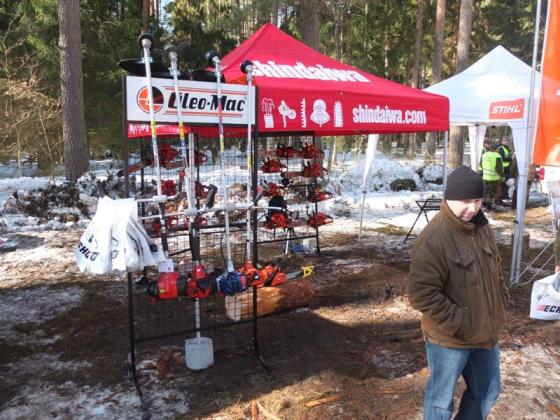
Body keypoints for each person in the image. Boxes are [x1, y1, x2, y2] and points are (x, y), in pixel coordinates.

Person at [408, 166, 509, 420]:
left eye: (477, 200)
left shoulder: (481, 226)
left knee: (487, 391)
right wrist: (460, 322)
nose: (473, 208)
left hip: (485, 334)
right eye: (465, 201)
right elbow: (421, 293)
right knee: (441, 403)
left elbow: (496, 269)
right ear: (449, 198)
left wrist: (501, 302)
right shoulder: (434, 238)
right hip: (451, 339)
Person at [481, 140, 504, 210]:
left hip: (485, 177)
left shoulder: (484, 155)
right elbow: (499, 168)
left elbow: (481, 165)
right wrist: (502, 176)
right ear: (497, 148)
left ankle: (483, 204)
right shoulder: (498, 156)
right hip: (494, 178)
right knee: (491, 192)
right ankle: (488, 206)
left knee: (485, 191)